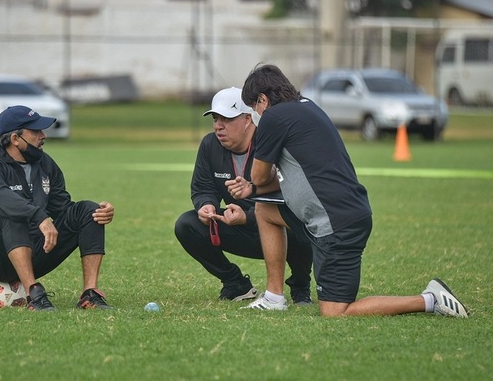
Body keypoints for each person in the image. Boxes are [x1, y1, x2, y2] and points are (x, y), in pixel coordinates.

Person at [227, 64, 469, 317]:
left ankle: (430, 300)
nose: (255, 114)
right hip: (333, 215)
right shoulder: (306, 105)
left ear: (263, 99)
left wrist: (253, 183)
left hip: (336, 224)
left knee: (335, 311)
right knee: (265, 210)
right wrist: (254, 189)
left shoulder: (274, 117)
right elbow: (298, 173)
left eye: (254, 107)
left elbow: (259, 174)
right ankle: (274, 297)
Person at [0, 105, 115, 311]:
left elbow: (62, 208)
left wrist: (99, 213)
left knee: (88, 211)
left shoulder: (45, 164)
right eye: (35, 131)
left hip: (34, 248)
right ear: (15, 138)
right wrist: (39, 217)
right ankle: (35, 295)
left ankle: (90, 295)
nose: (43, 135)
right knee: (13, 213)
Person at [174, 87, 313, 304]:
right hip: (240, 229)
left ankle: (301, 288)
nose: (218, 126)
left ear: (248, 119)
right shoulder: (210, 144)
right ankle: (235, 283)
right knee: (187, 224)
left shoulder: (271, 142)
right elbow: (203, 188)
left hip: (279, 228)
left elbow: (289, 197)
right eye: (215, 118)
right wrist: (206, 205)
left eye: (226, 119)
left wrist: (247, 216)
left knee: (300, 222)